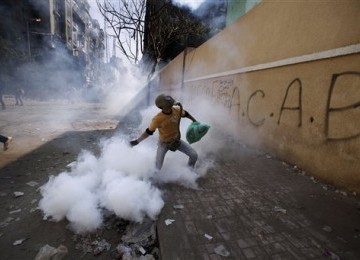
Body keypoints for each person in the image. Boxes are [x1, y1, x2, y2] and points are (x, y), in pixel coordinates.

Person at [130, 94, 198, 172]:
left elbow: (186, 114)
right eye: (168, 106)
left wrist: (194, 121)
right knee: (157, 167)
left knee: (194, 155)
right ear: (161, 108)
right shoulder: (157, 119)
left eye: (171, 105)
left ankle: (189, 172)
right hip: (164, 143)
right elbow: (148, 132)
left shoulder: (177, 110)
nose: (170, 108)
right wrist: (137, 141)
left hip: (176, 141)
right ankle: (151, 180)